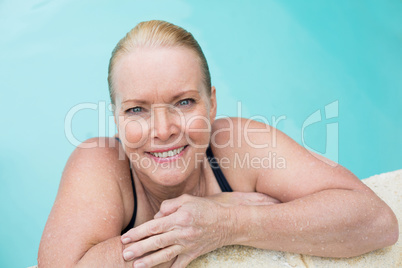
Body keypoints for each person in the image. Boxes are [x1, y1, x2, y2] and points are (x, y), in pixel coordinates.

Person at [38, 20, 398, 268]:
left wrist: (230, 221)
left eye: (184, 102)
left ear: (212, 104)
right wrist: (188, 226)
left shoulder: (238, 144)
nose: (163, 130)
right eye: (137, 110)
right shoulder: (101, 163)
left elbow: (376, 222)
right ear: (116, 118)